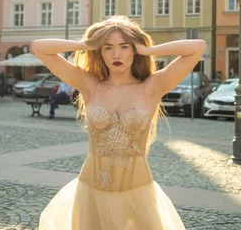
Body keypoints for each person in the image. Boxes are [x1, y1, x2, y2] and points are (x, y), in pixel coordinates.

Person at [32, 15, 206, 229]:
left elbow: (198, 47)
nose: (116, 54)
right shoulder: (90, 85)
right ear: (100, 52)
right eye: (108, 48)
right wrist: (86, 44)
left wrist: (148, 50)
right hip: (90, 192)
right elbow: (39, 47)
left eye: (124, 46)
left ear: (134, 49)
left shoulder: (151, 87)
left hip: (137, 194)